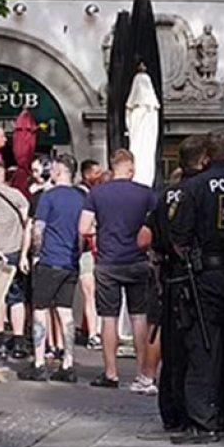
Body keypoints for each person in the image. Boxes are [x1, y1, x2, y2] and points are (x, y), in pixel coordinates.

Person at [171, 130, 224, 443]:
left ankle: (205, 420)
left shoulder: (194, 187)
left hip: (207, 274)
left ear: (206, 155)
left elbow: (179, 236)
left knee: (204, 346)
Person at [79, 149, 158, 390]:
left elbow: (83, 227)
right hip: (137, 260)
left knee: (109, 318)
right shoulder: (146, 194)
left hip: (108, 262)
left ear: (112, 168)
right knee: (139, 317)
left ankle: (111, 373)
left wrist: (101, 231)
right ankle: (143, 372)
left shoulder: (97, 193)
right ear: (131, 168)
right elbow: (156, 225)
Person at [147, 136, 209, 436]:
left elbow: (144, 239)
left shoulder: (166, 196)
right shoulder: (199, 191)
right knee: (199, 348)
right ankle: (192, 411)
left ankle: (171, 411)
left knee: (173, 352)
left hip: (171, 281)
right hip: (198, 280)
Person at [18, 154, 86, 383]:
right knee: (65, 311)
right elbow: (82, 232)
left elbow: (39, 228)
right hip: (70, 261)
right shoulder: (81, 198)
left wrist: (36, 254)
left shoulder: (48, 197)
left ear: (59, 171)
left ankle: (39, 362)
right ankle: (67, 363)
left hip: (50, 259)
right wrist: (76, 254)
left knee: (40, 309)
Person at [0, 158, 31, 359]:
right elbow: (28, 222)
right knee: (16, 298)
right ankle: (18, 340)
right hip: (16, 250)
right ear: (2, 174)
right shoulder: (17, 195)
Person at [78, 159, 104, 351]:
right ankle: (93, 333)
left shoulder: (94, 194)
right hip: (87, 250)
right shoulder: (84, 195)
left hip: (91, 250)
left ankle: (93, 331)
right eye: (96, 172)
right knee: (90, 293)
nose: (100, 175)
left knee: (91, 293)